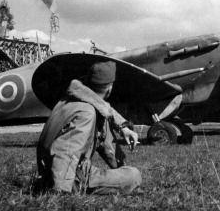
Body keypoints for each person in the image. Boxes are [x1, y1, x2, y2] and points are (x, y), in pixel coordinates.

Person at [37, 61, 142, 195]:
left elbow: (105, 141)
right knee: (134, 176)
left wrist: (124, 129)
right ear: (110, 88)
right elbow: (66, 149)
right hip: (68, 178)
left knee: (128, 171)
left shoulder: (71, 101)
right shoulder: (87, 113)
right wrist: (61, 191)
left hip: (52, 170)